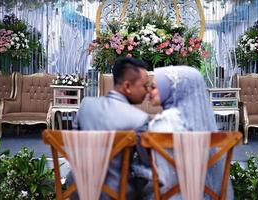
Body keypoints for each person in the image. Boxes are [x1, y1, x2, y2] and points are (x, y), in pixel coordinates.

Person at [68, 57, 151, 200]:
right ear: (127, 86)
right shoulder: (139, 119)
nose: (148, 91)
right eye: (145, 86)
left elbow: (72, 146)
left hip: (77, 189)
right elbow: (148, 162)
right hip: (115, 193)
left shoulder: (86, 105)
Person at [146, 65, 233, 200]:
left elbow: (164, 175)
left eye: (153, 87)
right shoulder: (202, 123)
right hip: (208, 195)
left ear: (172, 89)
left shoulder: (163, 123)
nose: (149, 91)